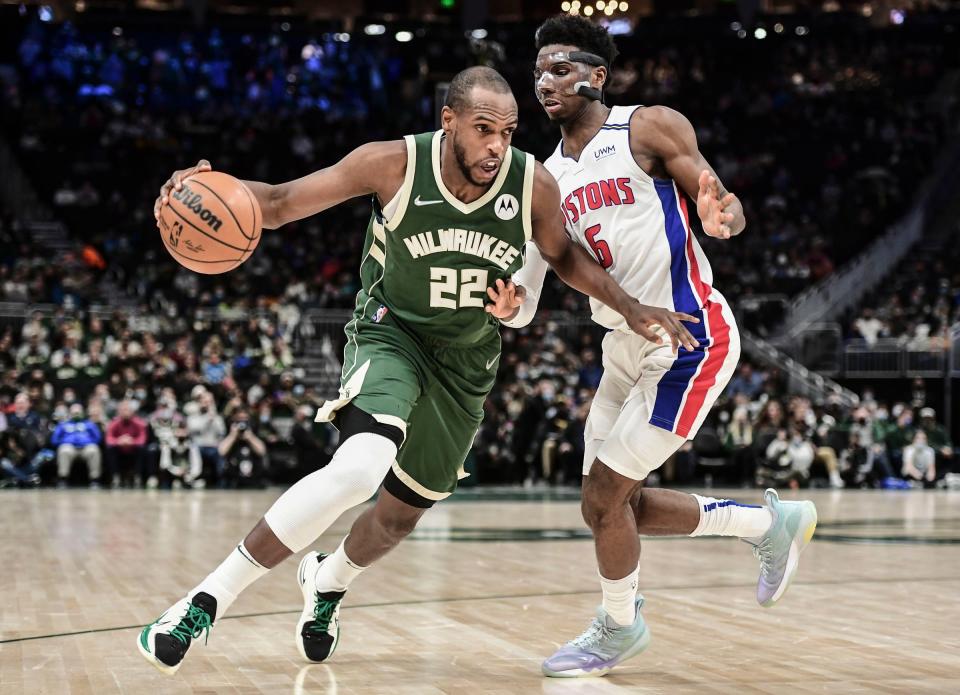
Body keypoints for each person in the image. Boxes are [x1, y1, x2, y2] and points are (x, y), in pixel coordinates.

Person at [138, 66, 698, 676]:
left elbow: (563, 256)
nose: (496, 147)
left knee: (399, 517)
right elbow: (272, 204)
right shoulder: (391, 164)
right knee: (358, 470)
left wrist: (629, 306)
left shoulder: (532, 184)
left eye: (507, 133)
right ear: (448, 121)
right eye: (484, 130)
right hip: (392, 332)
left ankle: (326, 582)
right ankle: (200, 604)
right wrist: (204, 187)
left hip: (466, 362)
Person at [507, 15, 818, 677]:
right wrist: (512, 301)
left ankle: (619, 625)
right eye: (538, 72)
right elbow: (546, 270)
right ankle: (767, 526)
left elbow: (719, 198)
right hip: (622, 345)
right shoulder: (547, 175)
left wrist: (721, 215)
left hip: (689, 337)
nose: (545, 82)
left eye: (560, 68)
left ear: (597, 74)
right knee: (613, 506)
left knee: (602, 496)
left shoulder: (646, 126)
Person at [51, 403, 102, 487]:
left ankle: (95, 479)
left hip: (86, 448)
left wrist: (87, 441)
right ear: (70, 413)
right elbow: (54, 439)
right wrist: (66, 441)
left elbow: (97, 438)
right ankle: (63, 478)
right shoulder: (63, 424)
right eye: (74, 412)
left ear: (82, 413)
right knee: (64, 450)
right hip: (69, 447)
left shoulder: (89, 424)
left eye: (78, 412)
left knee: (94, 449)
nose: (76, 414)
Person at [105, 399, 148, 487]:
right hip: (119, 449)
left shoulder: (139, 423)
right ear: (119, 411)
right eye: (123, 410)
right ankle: (115, 477)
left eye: (127, 410)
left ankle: (137, 476)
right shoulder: (113, 423)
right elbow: (108, 439)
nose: (125, 412)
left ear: (132, 411)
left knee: (142, 449)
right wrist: (119, 441)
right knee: (110, 449)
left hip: (133, 449)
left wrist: (131, 441)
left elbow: (142, 439)